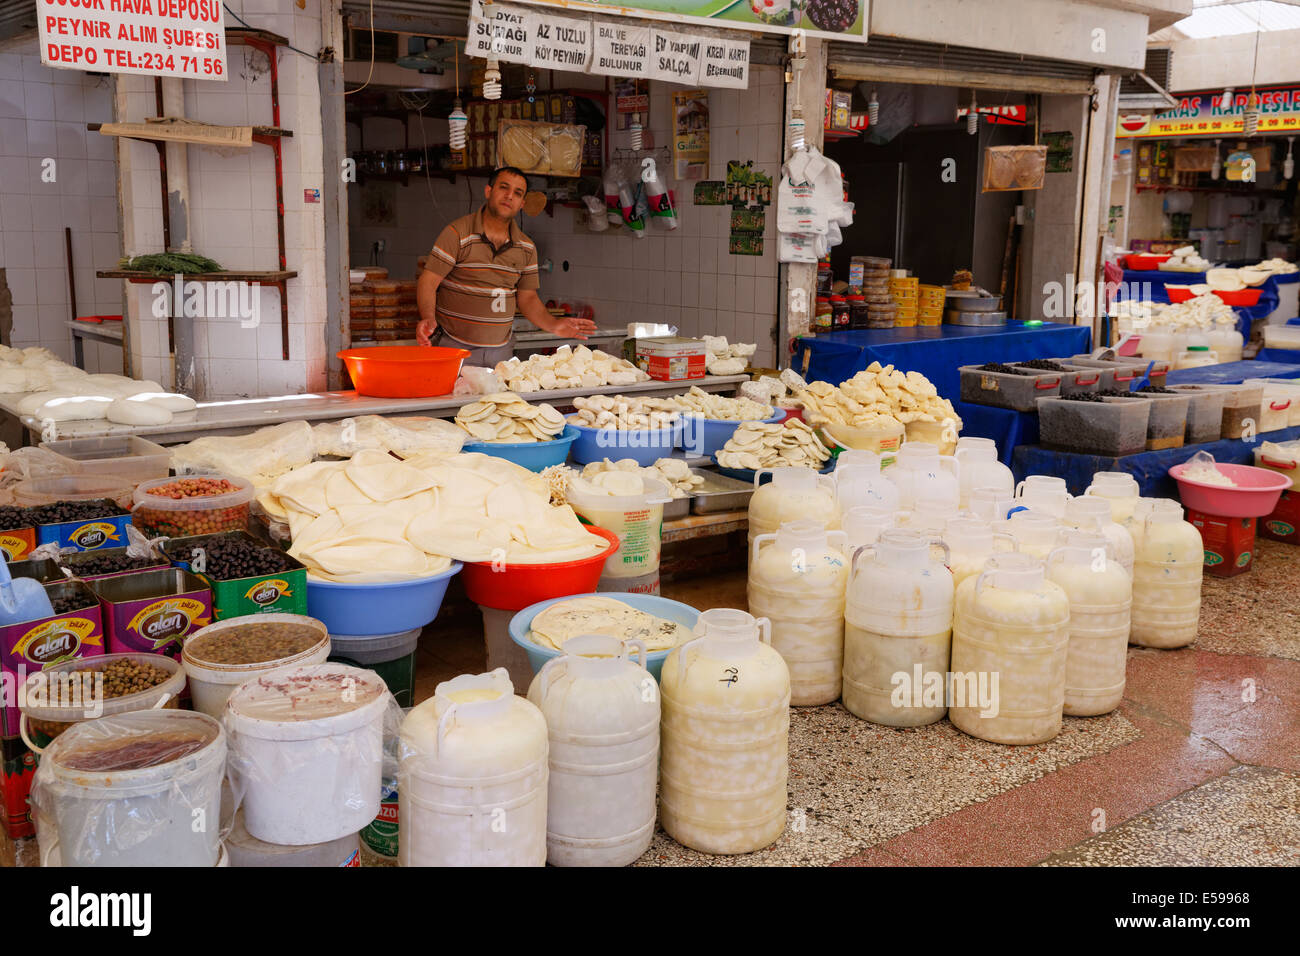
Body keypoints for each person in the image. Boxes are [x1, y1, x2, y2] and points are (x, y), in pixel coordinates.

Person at [416, 166, 596, 366]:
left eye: (518, 193)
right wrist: (427, 318)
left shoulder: (526, 248)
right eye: (504, 188)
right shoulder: (457, 234)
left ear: (522, 204)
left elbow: (527, 298)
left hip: (500, 352)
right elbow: (428, 281)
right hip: (454, 347)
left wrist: (553, 325)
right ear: (488, 191)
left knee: (501, 398)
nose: (509, 196)